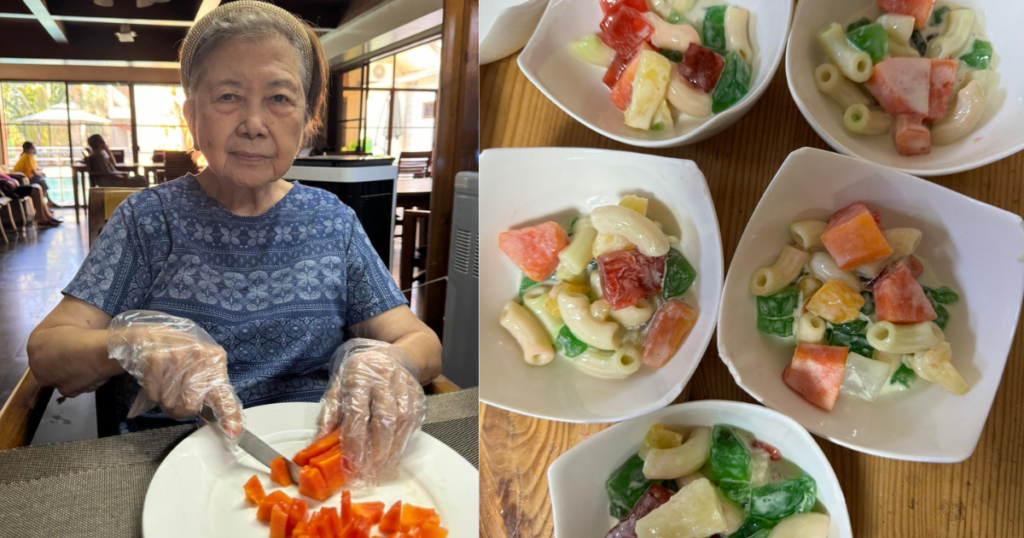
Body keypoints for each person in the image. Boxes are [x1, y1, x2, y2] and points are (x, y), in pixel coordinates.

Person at [27, 1, 441, 485]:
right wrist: (129, 343)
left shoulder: (333, 221)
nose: (253, 123)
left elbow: (421, 341)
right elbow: (47, 352)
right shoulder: (147, 221)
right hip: (172, 464)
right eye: (227, 96)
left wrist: (385, 360)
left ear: (307, 118)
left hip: (313, 459)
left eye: (279, 98)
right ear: (191, 114)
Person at [12, 141, 58, 207]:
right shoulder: (26, 157)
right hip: (21, 180)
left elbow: (36, 169)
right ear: (27, 149)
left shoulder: (30, 157)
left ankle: (46, 202)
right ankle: (45, 203)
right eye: (32, 148)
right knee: (40, 181)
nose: (34, 149)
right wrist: (41, 173)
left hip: (27, 179)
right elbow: (34, 172)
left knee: (40, 180)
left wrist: (40, 173)